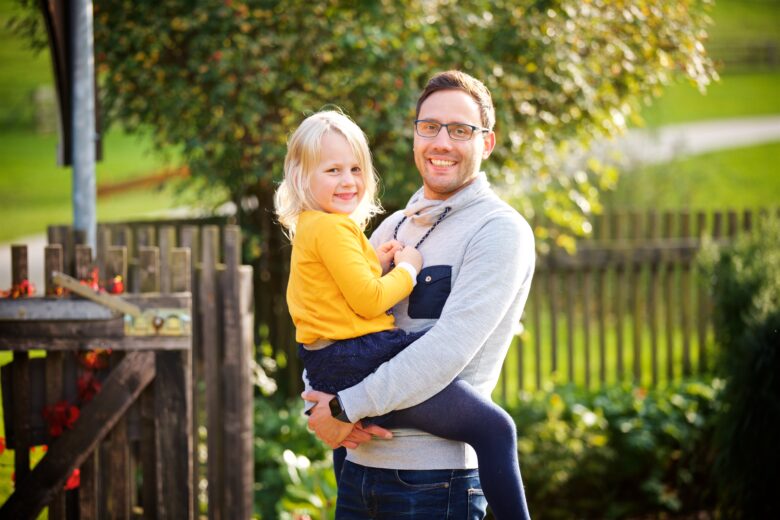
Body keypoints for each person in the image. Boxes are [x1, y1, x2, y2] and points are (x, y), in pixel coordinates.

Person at [275, 107, 531, 518]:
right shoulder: (370, 226)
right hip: (362, 443)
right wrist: (407, 269)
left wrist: (339, 407)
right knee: (497, 429)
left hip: (431, 477)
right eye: (430, 127)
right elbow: (364, 302)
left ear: (486, 141)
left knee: (453, 377)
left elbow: (331, 309)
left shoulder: (496, 228)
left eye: (355, 169)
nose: (348, 180)